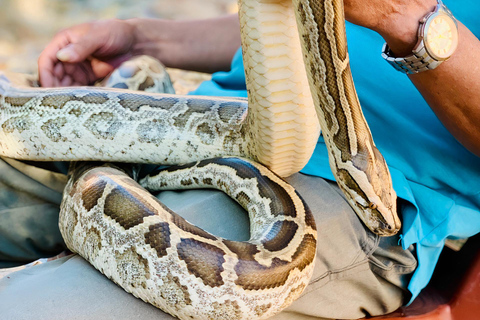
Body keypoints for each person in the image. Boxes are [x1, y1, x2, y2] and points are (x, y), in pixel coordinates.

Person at [0, 0, 479, 319]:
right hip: (210, 120)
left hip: (342, 192)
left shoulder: (367, 193)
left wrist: (409, 19)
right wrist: (144, 39)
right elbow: (285, 19)